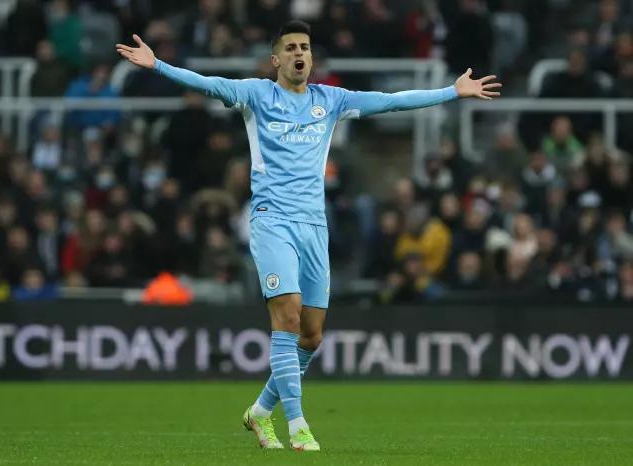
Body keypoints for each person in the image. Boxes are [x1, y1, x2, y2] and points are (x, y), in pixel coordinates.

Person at [116, 19, 501, 452]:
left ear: (312, 57)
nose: (300, 53)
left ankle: (260, 413)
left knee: (312, 334)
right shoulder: (256, 95)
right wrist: (158, 66)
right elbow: (206, 83)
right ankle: (298, 424)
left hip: (314, 226)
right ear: (276, 59)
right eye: (292, 47)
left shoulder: (330, 100)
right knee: (288, 315)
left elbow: (392, 101)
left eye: (306, 47)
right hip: (271, 219)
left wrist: (452, 92)